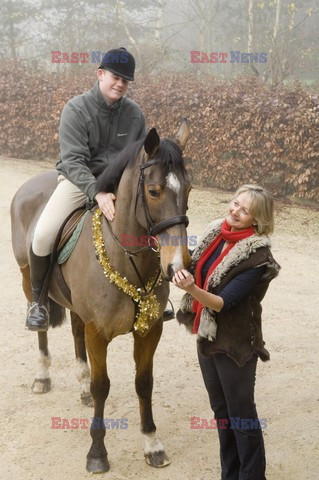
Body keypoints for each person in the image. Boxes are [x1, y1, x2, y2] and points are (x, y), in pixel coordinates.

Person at [26, 47, 174, 332]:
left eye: (126, 80)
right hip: (78, 182)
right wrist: (97, 192)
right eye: (115, 77)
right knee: (43, 234)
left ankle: (159, 295)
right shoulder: (76, 108)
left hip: (121, 184)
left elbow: (141, 158)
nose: (120, 84)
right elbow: (72, 160)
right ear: (100, 74)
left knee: (154, 221)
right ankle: (38, 302)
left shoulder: (135, 114)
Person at [173, 184, 280, 480]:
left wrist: (192, 288)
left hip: (236, 345)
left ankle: (253, 475)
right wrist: (178, 269)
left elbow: (223, 303)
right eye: (235, 203)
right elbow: (190, 264)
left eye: (245, 211)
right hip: (208, 338)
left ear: (256, 221)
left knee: (242, 415)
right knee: (222, 413)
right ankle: (230, 474)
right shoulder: (214, 233)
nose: (235, 211)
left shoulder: (257, 257)